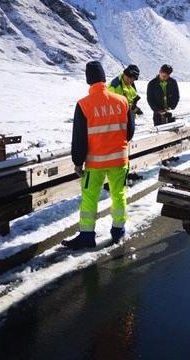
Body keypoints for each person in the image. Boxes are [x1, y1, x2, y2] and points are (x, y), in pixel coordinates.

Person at [62, 61, 135, 250]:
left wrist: (78, 162)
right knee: (119, 194)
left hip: (95, 163)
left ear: (89, 81)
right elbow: (130, 131)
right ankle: (118, 231)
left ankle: (87, 236)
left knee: (90, 197)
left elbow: (79, 138)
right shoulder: (122, 101)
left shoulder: (84, 105)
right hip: (120, 159)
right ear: (103, 79)